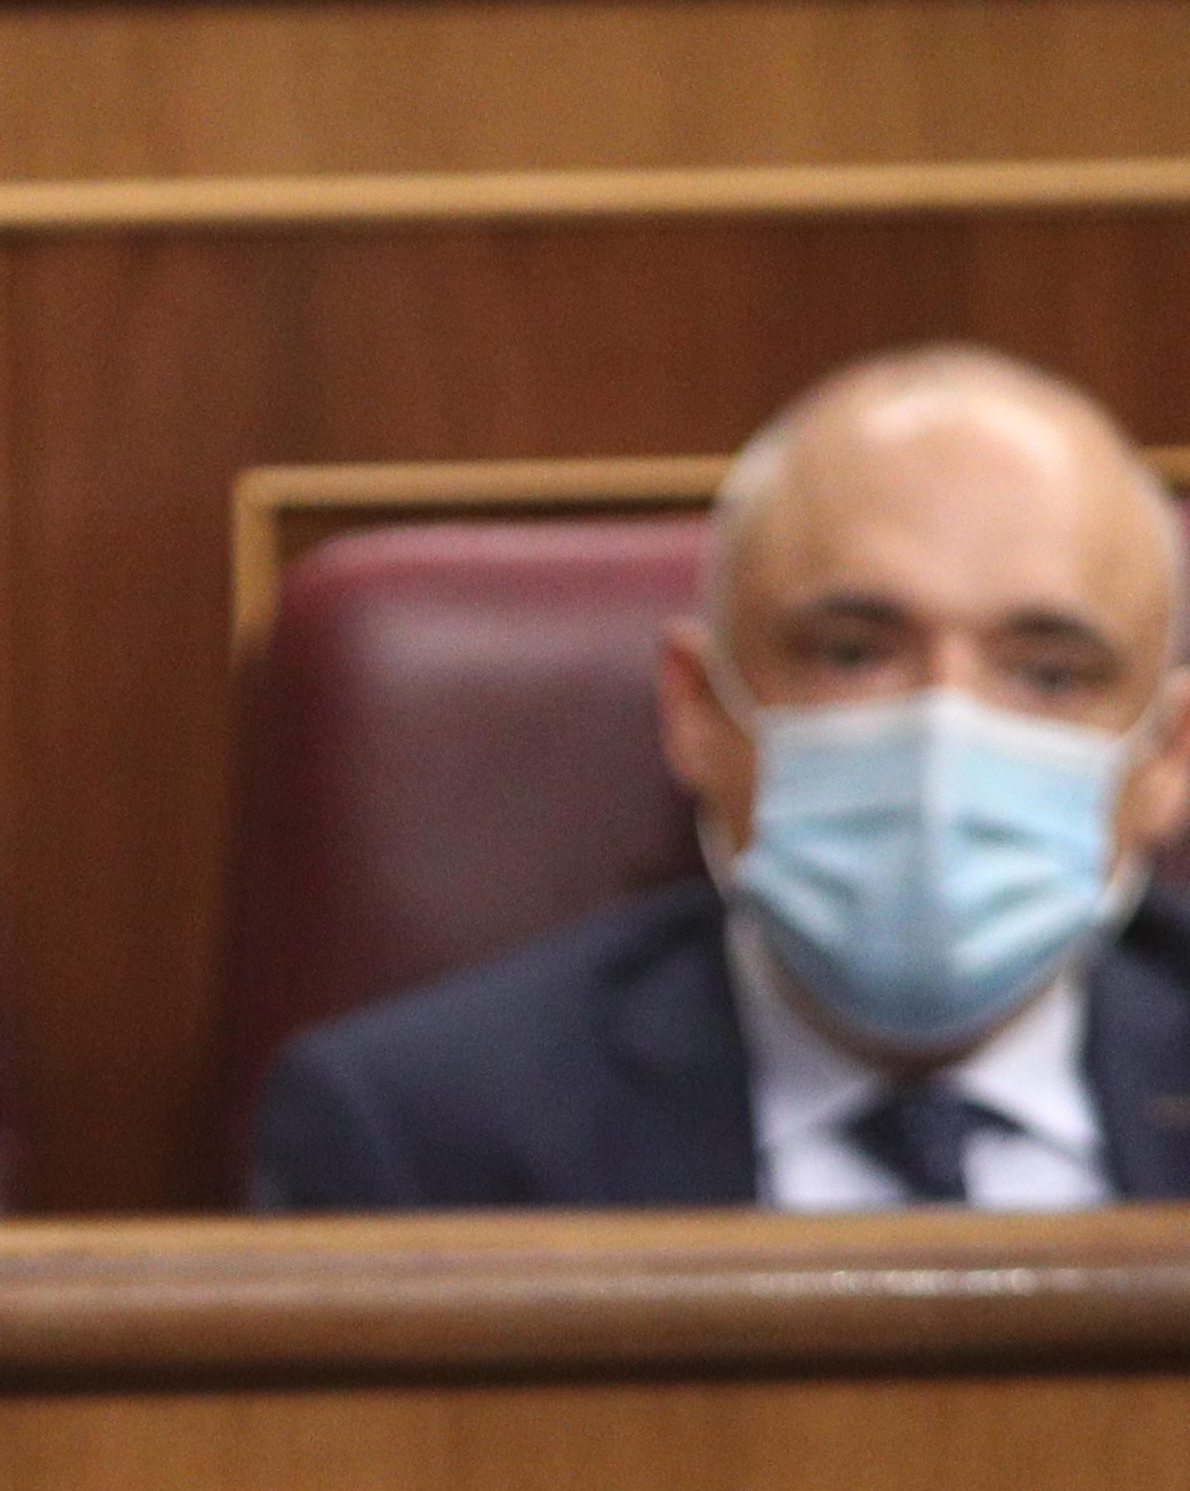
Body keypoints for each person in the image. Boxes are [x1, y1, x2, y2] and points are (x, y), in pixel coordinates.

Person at [252, 346, 1190, 1208]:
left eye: (1050, 675)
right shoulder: (412, 1135)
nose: (943, 732)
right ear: (698, 710)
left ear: (1167, 759)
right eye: (851, 653)